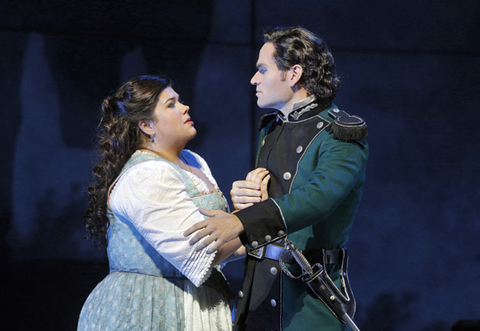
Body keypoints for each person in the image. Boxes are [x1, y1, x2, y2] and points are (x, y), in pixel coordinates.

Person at [184, 26, 369, 331]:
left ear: (293, 74)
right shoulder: (272, 128)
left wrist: (241, 221)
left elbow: (317, 198)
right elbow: (274, 206)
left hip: (305, 296)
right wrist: (247, 200)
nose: (254, 79)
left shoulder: (341, 135)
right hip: (260, 290)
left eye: (263, 70)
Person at [78, 75, 244, 331]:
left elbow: (224, 240)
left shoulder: (194, 161)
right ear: (146, 125)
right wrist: (255, 221)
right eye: (171, 104)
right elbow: (198, 252)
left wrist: (247, 216)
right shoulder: (147, 174)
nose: (184, 107)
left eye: (180, 101)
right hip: (150, 310)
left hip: (199, 301)